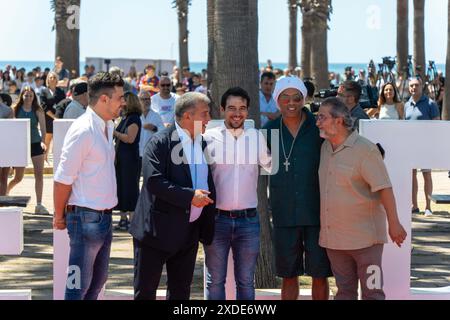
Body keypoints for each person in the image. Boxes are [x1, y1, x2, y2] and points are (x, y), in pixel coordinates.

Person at [316, 97, 407, 300]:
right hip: (335, 243)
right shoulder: (324, 148)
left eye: (322, 117)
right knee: (344, 294)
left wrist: (394, 223)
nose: (317, 122)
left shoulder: (366, 150)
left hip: (366, 242)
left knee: (372, 294)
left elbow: (384, 188)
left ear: (338, 120)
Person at [130, 92, 216, 300]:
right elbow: (153, 181)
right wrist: (190, 196)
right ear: (187, 116)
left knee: (180, 293)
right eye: (204, 114)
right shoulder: (160, 142)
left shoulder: (202, 143)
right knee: (146, 292)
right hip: (155, 233)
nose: (209, 119)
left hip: (188, 233)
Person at [53, 72, 125, 300]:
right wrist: (58, 215)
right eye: (119, 97)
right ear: (104, 99)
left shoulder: (108, 125)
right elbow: (63, 178)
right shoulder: (84, 129)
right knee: (77, 289)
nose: (123, 102)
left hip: (102, 217)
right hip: (85, 219)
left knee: (95, 285)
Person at [263, 77, 332, 300]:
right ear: (277, 100)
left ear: (304, 99)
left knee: (320, 274)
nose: (291, 103)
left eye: (296, 98)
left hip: (317, 211)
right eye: (285, 98)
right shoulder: (269, 130)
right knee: (288, 275)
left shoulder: (318, 126)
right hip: (283, 213)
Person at [204, 87, 271, 300]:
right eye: (232, 108)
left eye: (242, 108)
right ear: (222, 109)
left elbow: (271, 165)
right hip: (216, 220)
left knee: (246, 281)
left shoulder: (257, 137)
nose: (237, 113)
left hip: (248, 221)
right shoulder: (208, 138)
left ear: (248, 111)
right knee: (214, 281)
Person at [7, 87, 48, 214]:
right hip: (20, 145)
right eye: (26, 96)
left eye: (31, 96)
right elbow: (10, 127)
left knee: (39, 175)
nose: (28, 98)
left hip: (35, 144)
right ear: (22, 96)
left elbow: (43, 129)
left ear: (34, 97)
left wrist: (43, 142)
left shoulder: (38, 110)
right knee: (18, 177)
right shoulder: (15, 109)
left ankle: (39, 204)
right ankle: (6, 192)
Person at [405, 77, 440, 216]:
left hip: (426, 146)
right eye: (411, 86)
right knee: (412, 176)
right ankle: (414, 206)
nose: (414, 88)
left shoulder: (431, 104)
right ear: (409, 88)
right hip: (410, 146)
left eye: (416, 85)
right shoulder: (406, 105)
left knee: (426, 175)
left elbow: (436, 126)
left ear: (421, 87)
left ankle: (428, 207)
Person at [113, 92, 142, 231]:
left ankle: (132, 219)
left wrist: (114, 132)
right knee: (121, 187)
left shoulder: (134, 119)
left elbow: (130, 138)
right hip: (122, 159)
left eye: (123, 100)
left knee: (130, 188)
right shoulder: (125, 118)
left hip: (130, 160)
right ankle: (123, 218)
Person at [40, 71, 66, 161]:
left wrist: (58, 117)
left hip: (59, 119)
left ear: (57, 80)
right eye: (50, 77)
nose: (52, 79)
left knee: (58, 141)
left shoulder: (61, 91)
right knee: (47, 140)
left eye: (54, 77)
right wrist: (53, 116)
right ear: (48, 79)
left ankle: (57, 161)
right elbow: (43, 106)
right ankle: (44, 159)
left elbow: (64, 104)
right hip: (47, 118)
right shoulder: (43, 91)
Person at [138, 90, 165, 162]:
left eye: (148, 99)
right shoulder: (135, 115)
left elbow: (163, 132)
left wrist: (154, 128)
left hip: (151, 154)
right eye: (144, 99)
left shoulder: (156, 115)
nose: (147, 101)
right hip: (136, 153)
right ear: (138, 101)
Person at [0, 94, 13, 196]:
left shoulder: (8, 110)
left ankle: (2, 201)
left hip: (6, 146)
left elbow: (10, 128)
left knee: (4, 176)